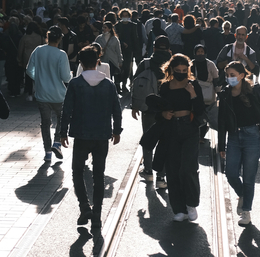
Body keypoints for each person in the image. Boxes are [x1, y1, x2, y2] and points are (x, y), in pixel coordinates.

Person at [60, 46, 122, 228]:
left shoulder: (75, 84)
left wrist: (63, 132)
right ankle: (97, 213)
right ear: (98, 62)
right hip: (102, 135)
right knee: (99, 174)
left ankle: (84, 206)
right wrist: (117, 130)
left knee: (77, 171)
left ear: (80, 62)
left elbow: (67, 110)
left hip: (81, 134)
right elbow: (116, 110)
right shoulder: (108, 84)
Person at [142, 54, 205, 222]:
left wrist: (193, 94)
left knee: (188, 168)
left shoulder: (193, 85)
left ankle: (191, 204)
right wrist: (163, 113)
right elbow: (159, 110)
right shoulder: (165, 87)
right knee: (173, 169)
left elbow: (200, 110)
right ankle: (178, 208)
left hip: (189, 128)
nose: (181, 73)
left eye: (185, 70)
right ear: (171, 70)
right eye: (178, 70)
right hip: (171, 129)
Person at [218, 61, 260, 226]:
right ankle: (242, 195)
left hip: (252, 136)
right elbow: (221, 121)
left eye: (233, 75)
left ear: (242, 76)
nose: (229, 78)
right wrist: (221, 146)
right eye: (228, 75)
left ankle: (246, 211)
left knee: (249, 177)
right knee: (231, 174)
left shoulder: (254, 91)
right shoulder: (225, 94)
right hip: (234, 137)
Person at [26, 26, 72, 162]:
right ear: (59, 39)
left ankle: (47, 152)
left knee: (45, 123)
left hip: (41, 93)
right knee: (62, 119)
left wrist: (39, 79)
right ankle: (57, 142)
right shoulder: (61, 54)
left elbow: (29, 70)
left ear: (47, 36)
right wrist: (70, 75)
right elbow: (66, 78)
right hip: (59, 94)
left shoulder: (38, 51)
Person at [132, 35, 172, 189]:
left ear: (154, 48)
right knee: (165, 142)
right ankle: (161, 176)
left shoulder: (146, 63)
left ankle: (148, 170)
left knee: (148, 139)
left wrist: (135, 105)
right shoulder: (173, 63)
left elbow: (136, 84)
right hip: (168, 110)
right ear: (169, 49)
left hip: (149, 109)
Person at [191, 44, 219, 143]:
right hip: (195, 94)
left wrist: (218, 91)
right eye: (198, 52)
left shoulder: (210, 64)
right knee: (197, 114)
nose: (200, 54)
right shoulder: (191, 64)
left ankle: (201, 135)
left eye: (202, 52)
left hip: (208, 94)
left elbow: (216, 78)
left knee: (206, 114)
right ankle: (198, 135)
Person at [114, 8, 140, 92]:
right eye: (123, 16)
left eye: (126, 15)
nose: (124, 17)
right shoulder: (117, 26)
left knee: (127, 68)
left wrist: (136, 50)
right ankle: (117, 84)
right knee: (118, 67)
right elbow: (115, 36)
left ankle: (124, 84)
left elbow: (135, 38)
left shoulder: (133, 25)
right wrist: (121, 43)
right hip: (118, 49)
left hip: (129, 50)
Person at [17, 21, 43, 101]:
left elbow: (20, 49)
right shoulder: (40, 37)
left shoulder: (25, 37)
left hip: (27, 57)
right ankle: (37, 93)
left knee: (28, 77)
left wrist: (19, 59)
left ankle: (30, 94)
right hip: (38, 58)